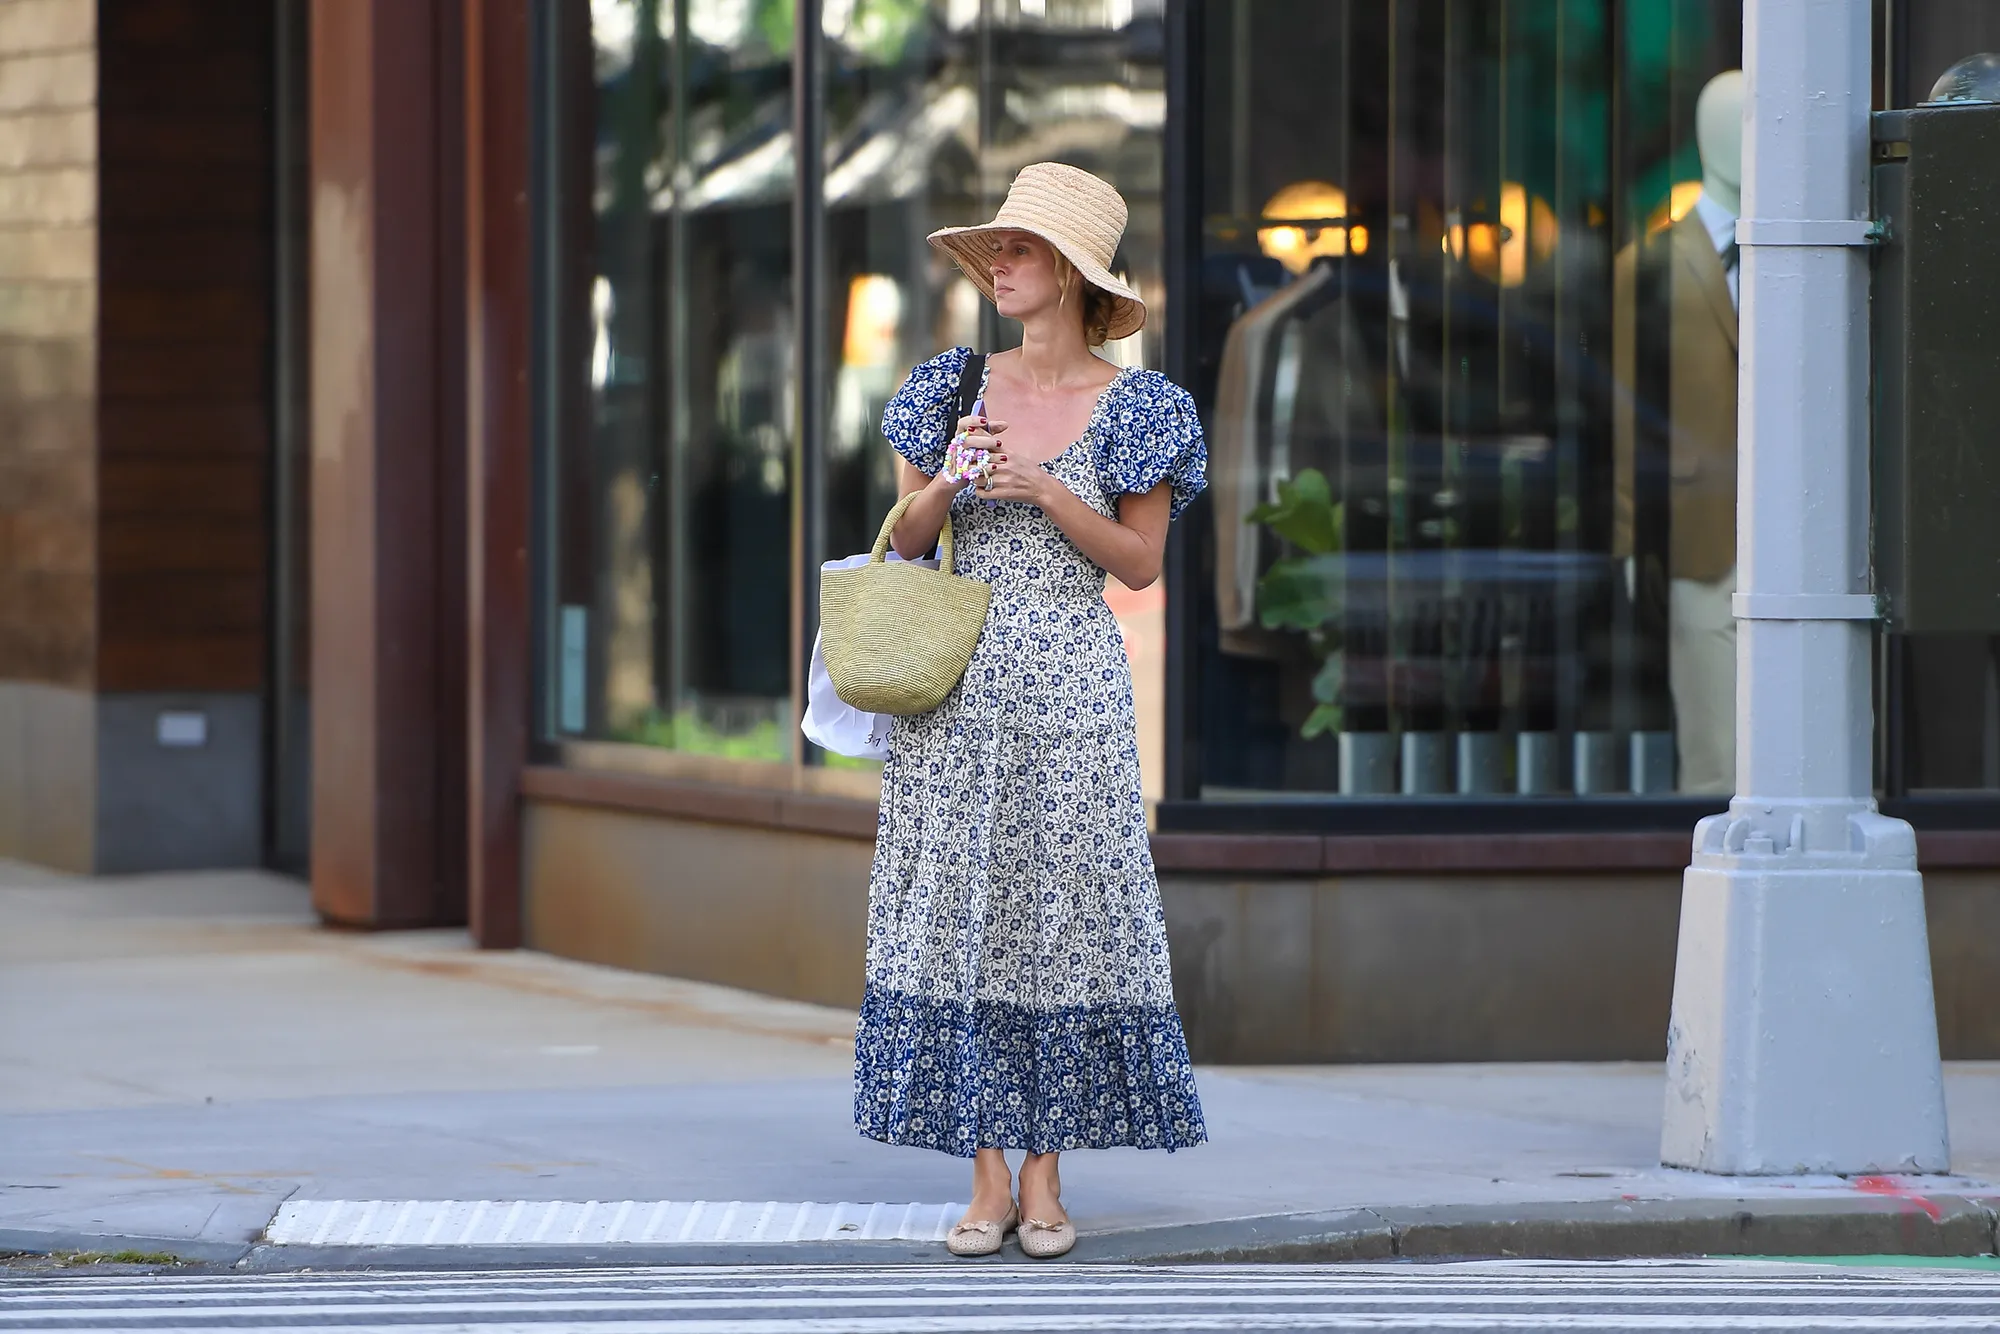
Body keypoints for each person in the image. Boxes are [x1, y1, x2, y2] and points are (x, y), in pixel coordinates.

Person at [855, 162, 1208, 1260]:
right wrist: (951, 483)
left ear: (1066, 272)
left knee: (1062, 919)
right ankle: (984, 1172)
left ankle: (1047, 1172)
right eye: (995, 250)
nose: (995, 267)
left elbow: (1141, 566)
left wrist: (1052, 491)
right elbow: (904, 539)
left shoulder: (1141, 406)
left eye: (1014, 250)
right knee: (963, 918)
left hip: (1071, 685)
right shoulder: (952, 382)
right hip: (951, 690)